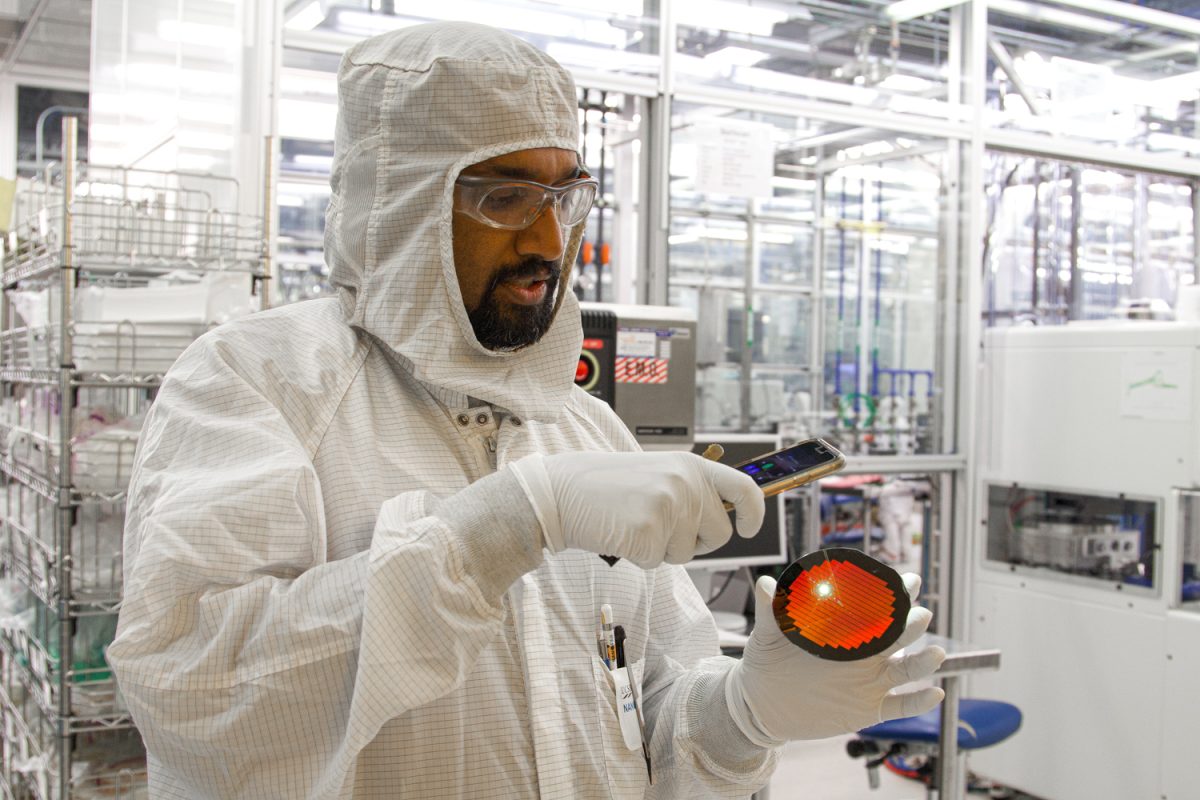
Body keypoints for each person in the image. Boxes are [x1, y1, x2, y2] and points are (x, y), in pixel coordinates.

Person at [108, 21, 945, 799]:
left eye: (565, 195)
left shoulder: (585, 426)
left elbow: (650, 706)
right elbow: (194, 694)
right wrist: (505, 525)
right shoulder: (259, 384)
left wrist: (743, 716)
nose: (548, 238)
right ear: (401, 206)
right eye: (505, 198)